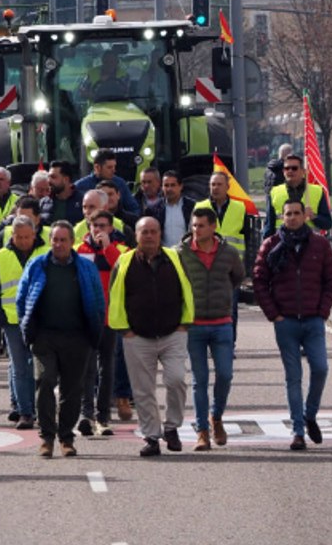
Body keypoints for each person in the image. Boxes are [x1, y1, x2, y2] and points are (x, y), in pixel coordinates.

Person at [253, 199, 332, 451]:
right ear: (282, 217)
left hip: (313, 319)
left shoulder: (320, 244)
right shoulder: (271, 245)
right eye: (288, 214)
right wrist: (274, 314)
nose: (292, 218)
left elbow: (331, 280)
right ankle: (298, 431)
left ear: (304, 216)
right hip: (286, 320)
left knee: (320, 368)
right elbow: (259, 281)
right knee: (293, 377)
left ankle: (309, 415)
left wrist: (322, 312)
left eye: (296, 213)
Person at [16, 221, 105, 458]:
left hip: (77, 337)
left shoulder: (86, 267)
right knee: (45, 381)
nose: (58, 244)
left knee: (72, 389)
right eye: (55, 240)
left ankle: (66, 437)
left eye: (63, 240)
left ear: (72, 242)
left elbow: (98, 301)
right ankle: (47, 437)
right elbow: (22, 299)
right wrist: (27, 327)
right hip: (44, 336)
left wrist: (95, 331)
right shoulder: (37, 265)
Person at [108, 217, 194, 457]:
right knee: (143, 390)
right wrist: (125, 331)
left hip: (173, 332)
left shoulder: (175, 257)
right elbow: (115, 296)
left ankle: (172, 427)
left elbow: (188, 288)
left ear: (160, 234)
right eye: (144, 232)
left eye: (153, 231)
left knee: (176, 380)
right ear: (136, 235)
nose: (149, 236)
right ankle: (152, 437)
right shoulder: (124, 261)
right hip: (137, 336)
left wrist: (184, 324)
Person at [177, 208, 245, 451]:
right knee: (200, 380)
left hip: (222, 323)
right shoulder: (181, 253)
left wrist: (222, 297)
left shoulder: (228, 253)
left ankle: (216, 416)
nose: (197, 230)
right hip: (194, 325)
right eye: (194, 225)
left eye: (202, 225)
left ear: (213, 227)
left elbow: (237, 277)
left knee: (225, 374)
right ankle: (202, 431)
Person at [0, 215, 48, 430]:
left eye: (26, 237)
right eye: (18, 237)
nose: (23, 241)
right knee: (21, 367)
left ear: (34, 235)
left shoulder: (46, 254)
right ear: (12, 235)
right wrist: (1, 320)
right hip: (12, 321)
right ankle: (26, 412)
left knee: (41, 369)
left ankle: (38, 407)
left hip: (41, 320)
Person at [75, 208, 129, 438]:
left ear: (111, 228)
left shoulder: (121, 250)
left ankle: (103, 417)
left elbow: (124, 271)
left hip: (110, 317)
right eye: (95, 226)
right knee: (86, 369)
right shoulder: (79, 250)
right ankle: (86, 415)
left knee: (107, 369)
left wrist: (107, 248)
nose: (98, 230)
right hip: (86, 318)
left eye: (103, 226)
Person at [195, 171, 248, 341]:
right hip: (205, 265)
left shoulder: (240, 208)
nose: (215, 188)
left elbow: (248, 237)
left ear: (228, 187)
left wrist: (248, 268)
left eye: (219, 184)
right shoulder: (200, 207)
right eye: (213, 184)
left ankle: (229, 343)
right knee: (205, 306)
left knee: (231, 308)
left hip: (231, 267)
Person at [262, 154, 332, 237]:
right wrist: (265, 243)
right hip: (283, 242)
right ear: (283, 172)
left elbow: (327, 224)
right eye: (287, 168)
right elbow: (269, 225)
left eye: (294, 168)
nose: (290, 171)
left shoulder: (317, 191)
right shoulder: (274, 192)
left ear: (303, 171)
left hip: (310, 242)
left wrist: (313, 217)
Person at [73, 149, 140, 220]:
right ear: (97, 167)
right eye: (109, 167)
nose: (114, 170)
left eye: (114, 166)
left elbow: (134, 209)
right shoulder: (80, 187)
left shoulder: (120, 183)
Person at [146, 170, 195, 247]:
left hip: (187, 252)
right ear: (162, 187)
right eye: (166, 185)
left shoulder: (192, 207)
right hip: (164, 252)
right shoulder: (153, 210)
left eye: (173, 185)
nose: (169, 189)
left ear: (181, 186)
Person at [40, 160, 82, 225]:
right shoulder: (43, 203)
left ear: (66, 179)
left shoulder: (82, 201)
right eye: (49, 177)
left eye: (53, 177)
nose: (49, 181)